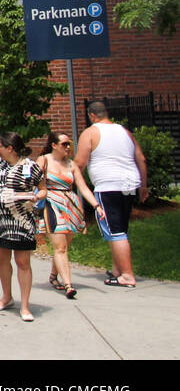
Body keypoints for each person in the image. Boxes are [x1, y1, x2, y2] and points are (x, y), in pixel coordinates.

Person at [76, 101, 148, 287]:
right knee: (121, 229)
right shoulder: (125, 131)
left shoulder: (90, 133)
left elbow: (80, 162)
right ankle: (117, 269)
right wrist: (143, 185)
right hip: (129, 184)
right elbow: (140, 158)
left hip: (108, 186)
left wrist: (69, 180)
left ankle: (127, 275)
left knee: (115, 231)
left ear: (92, 115)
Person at [36, 131, 104, 300]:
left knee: (64, 246)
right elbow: (33, 182)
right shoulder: (43, 160)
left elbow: (83, 187)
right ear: (54, 145)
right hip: (51, 204)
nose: (68, 147)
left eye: (69, 144)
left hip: (71, 206)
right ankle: (68, 285)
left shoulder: (71, 165)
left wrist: (97, 206)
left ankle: (53, 276)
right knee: (60, 247)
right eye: (64, 144)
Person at [0, 131, 45, 321]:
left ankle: (25, 306)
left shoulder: (31, 166)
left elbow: (43, 189)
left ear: (9, 148)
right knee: (2, 260)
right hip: (2, 221)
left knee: (23, 263)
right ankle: (6, 296)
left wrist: (36, 197)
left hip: (22, 221)